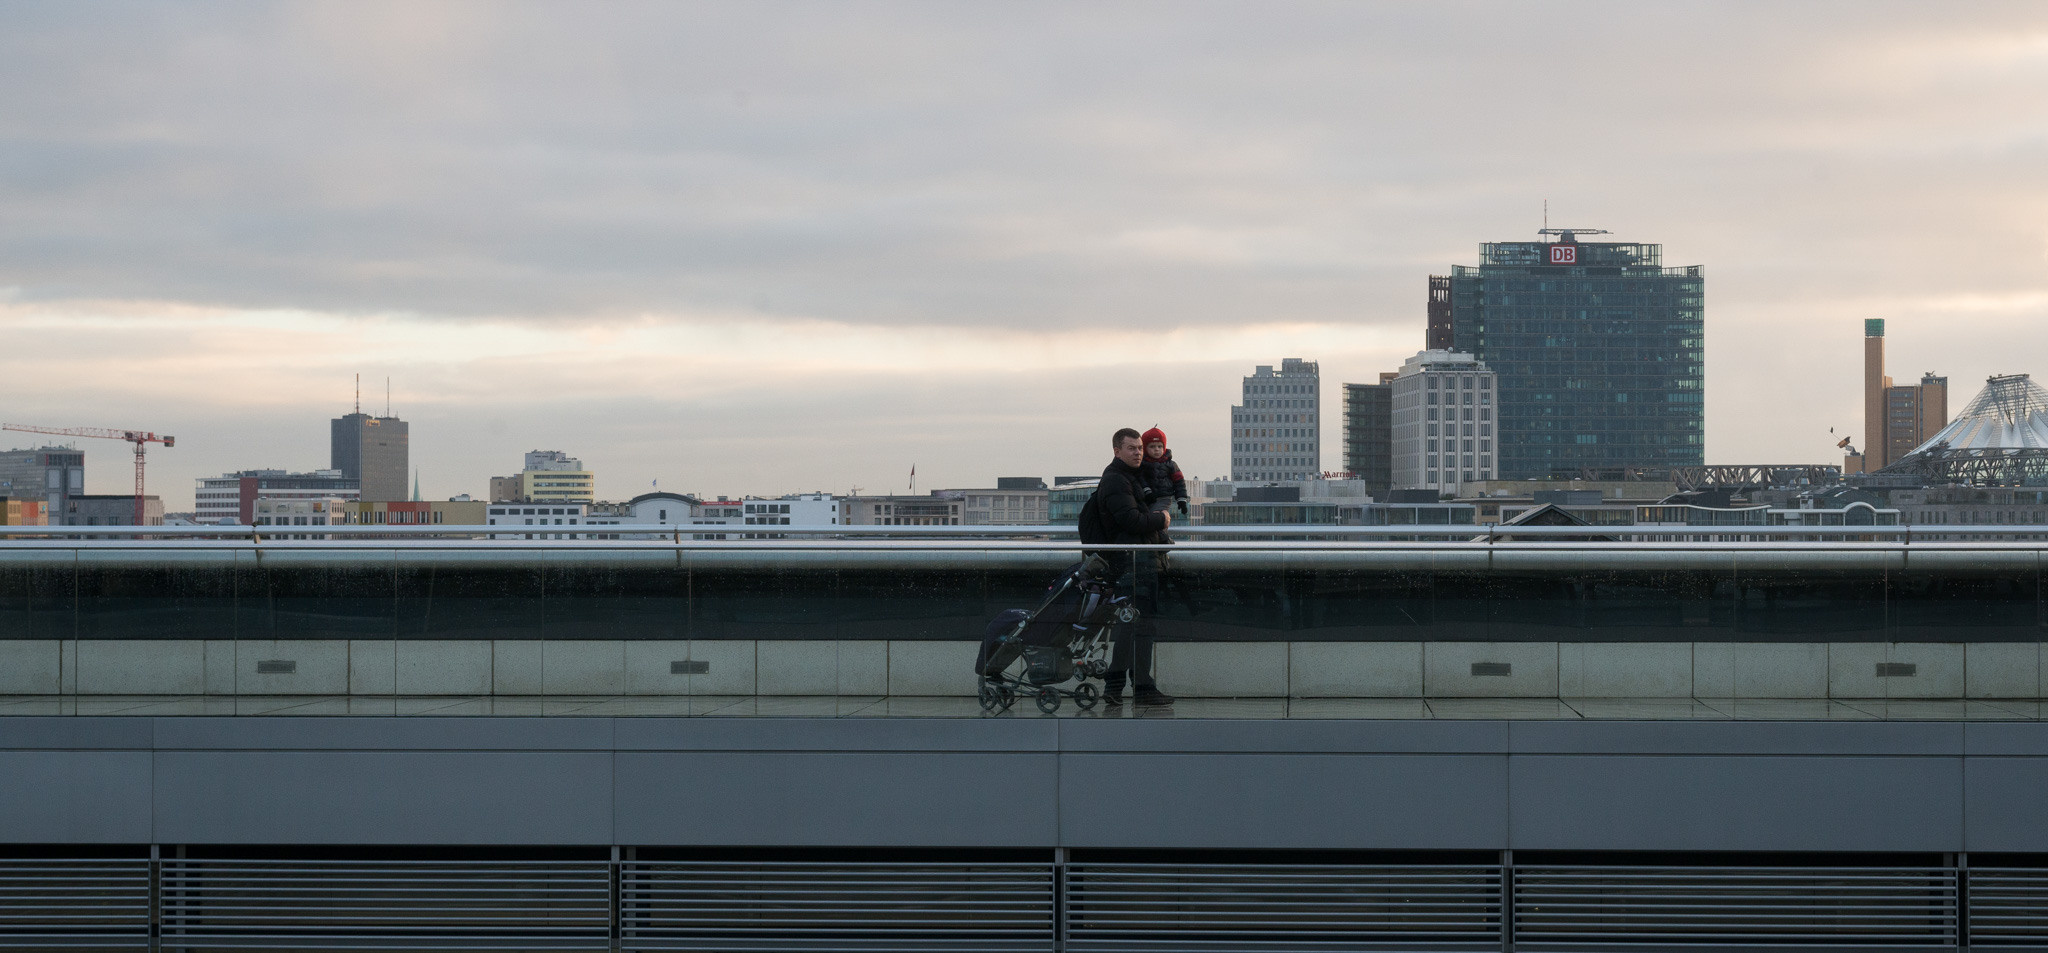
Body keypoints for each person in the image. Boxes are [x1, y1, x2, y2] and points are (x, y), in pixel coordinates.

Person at [1088, 427, 1177, 707]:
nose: (1138, 452)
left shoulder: (1130, 477)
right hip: (1130, 564)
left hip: (1138, 562)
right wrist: (1161, 520)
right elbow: (1131, 521)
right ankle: (1134, 686)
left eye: (1140, 448)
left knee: (1137, 626)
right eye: (1132, 448)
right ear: (1117, 451)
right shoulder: (1116, 480)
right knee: (1135, 626)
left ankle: (1132, 686)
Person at [1137, 426, 1189, 540]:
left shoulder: (1171, 464)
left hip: (1164, 497)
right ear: (1145, 448)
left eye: (1160, 446)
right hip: (1147, 498)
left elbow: (1179, 482)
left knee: (1157, 517)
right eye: (1152, 446)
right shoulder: (1142, 464)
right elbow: (1141, 479)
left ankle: (1162, 539)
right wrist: (1147, 491)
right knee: (1151, 518)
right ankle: (1158, 539)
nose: (1157, 449)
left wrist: (1181, 499)